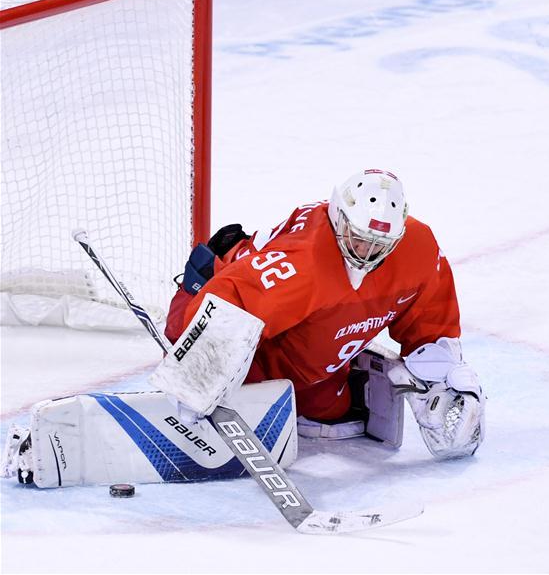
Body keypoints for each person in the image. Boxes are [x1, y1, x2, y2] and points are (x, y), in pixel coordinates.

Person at [164, 167, 485, 459]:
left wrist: (439, 373)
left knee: (335, 414)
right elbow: (228, 298)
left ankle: (332, 378)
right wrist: (198, 372)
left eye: (378, 244)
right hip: (220, 307)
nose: (365, 253)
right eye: (358, 239)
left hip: (310, 350)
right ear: (338, 216)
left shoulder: (418, 248)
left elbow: (431, 320)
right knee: (231, 380)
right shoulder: (303, 262)